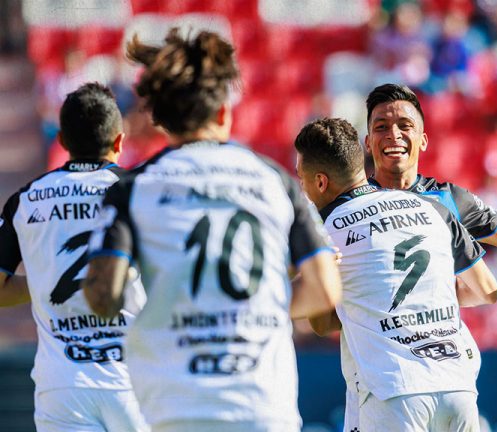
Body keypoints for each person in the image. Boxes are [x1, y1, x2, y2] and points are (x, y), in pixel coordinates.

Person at [82, 29, 342, 432]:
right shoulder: (274, 180)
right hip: (263, 405)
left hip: (176, 406)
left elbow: (103, 297)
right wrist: (255, 307)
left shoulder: (132, 189)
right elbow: (325, 289)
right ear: (223, 112)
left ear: (161, 120)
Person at [331, 82, 497, 432]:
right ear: (368, 142)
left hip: (441, 377)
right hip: (380, 381)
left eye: (405, 125)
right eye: (381, 127)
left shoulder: (446, 200)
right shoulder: (348, 210)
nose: (394, 135)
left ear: (423, 140)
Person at [295, 117, 497, 431]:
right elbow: (487, 289)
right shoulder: (430, 207)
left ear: (320, 182)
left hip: (395, 392)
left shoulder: (326, 228)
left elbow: (322, 325)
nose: (302, 188)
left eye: (301, 178)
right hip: (458, 386)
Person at [0, 83, 148, 431]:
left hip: (62, 385)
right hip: (135, 381)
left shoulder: (26, 199)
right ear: (119, 141)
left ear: (62, 141)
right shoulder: (141, 192)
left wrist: (46, 278)